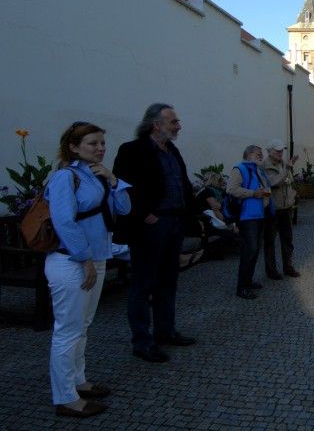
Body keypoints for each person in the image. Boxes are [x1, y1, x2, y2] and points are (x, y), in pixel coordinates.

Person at [45, 121, 131, 417]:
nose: (100, 148)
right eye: (92, 143)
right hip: (71, 262)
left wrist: (114, 180)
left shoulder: (96, 175)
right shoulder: (64, 178)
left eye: (102, 143)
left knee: (82, 327)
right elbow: (64, 222)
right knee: (67, 331)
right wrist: (83, 260)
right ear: (74, 147)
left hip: (95, 259)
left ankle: (78, 381)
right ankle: (65, 397)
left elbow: (124, 209)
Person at [113, 103, 197, 364]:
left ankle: (165, 331)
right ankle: (142, 341)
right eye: (173, 122)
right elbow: (122, 187)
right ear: (156, 124)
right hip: (150, 225)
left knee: (168, 281)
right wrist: (143, 214)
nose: (178, 126)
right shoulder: (132, 150)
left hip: (174, 222)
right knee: (143, 284)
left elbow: (182, 184)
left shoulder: (172, 150)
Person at [226, 145, 271, 299]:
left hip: (258, 216)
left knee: (255, 250)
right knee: (249, 251)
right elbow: (231, 189)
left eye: (261, 154)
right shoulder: (239, 168)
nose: (261, 156)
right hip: (246, 217)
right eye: (258, 154)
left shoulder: (257, 170)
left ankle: (248, 281)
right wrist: (253, 193)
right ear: (249, 154)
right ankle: (242, 288)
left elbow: (263, 189)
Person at [263, 139, 300, 278]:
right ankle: (271, 271)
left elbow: (289, 182)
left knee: (287, 240)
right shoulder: (264, 166)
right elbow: (274, 182)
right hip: (272, 209)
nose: (280, 152)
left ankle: (288, 267)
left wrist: (293, 197)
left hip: (286, 208)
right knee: (270, 241)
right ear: (269, 151)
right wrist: (288, 168)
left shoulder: (284, 164)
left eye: (281, 150)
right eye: (277, 150)